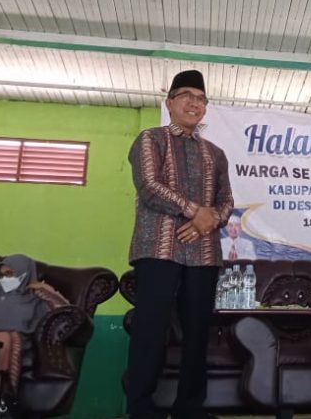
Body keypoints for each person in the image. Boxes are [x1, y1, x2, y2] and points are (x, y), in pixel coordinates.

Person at [126, 70, 234, 419]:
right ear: (169, 103)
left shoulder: (215, 153)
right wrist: (195, 212)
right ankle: (141, 408)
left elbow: (227, 201)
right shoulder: (150, 139)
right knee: (150, 330)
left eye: (201, 99)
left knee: (198, 333)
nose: (194, 103)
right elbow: (149, 186)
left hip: (204, 254)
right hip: (158, 249)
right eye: (186, 95)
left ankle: (189, 408)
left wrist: (211, 218)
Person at [0, 254, 69, 416]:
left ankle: (2, 399)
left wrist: (45, 290)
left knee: (6, 340)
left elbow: (67, 313)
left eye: (10, 274)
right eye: (2, 275)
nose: (5, 279)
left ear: (25, 273)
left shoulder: (35, 299)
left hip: (16, 341)